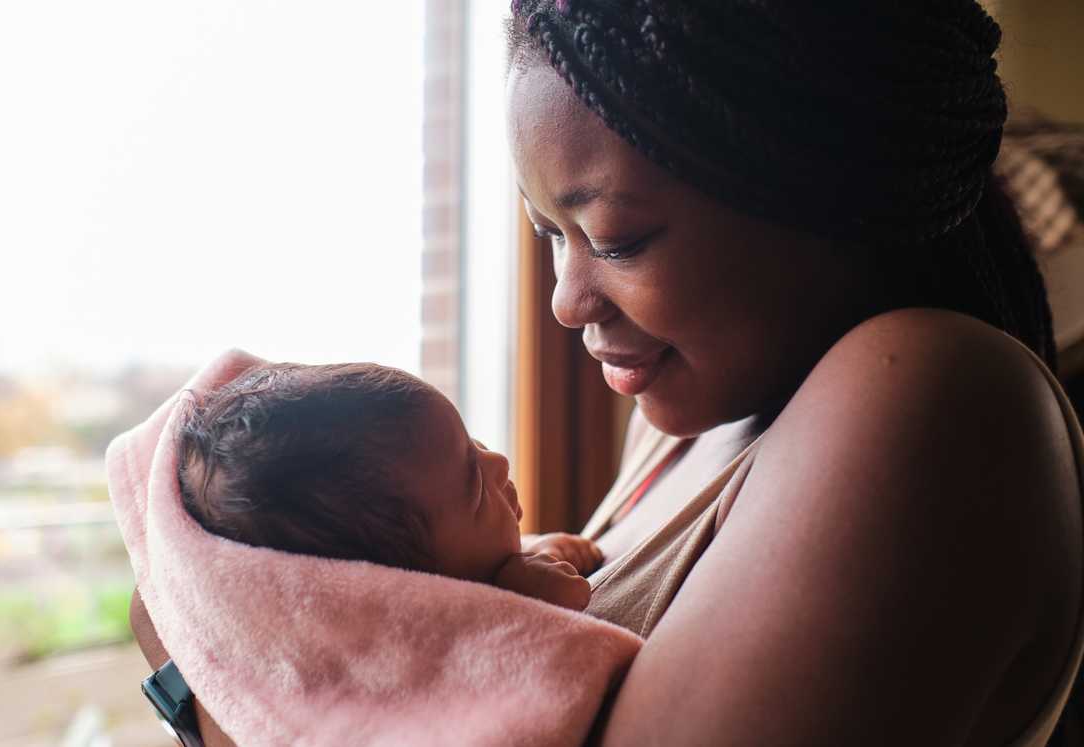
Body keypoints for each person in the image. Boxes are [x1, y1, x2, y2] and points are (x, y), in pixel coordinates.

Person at [132, 1, 1084, 744]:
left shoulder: (933, 402)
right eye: (548, 234)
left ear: (829, 189)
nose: (565, 301)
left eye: (616, 238)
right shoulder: (684, 423)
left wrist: (199, 666)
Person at [174, 360, 599, 609]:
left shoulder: (458, 559)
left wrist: (532, 552)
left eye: (473, 442)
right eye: (476, 490)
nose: (500, 463)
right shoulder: (437, 641)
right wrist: (528, 604)